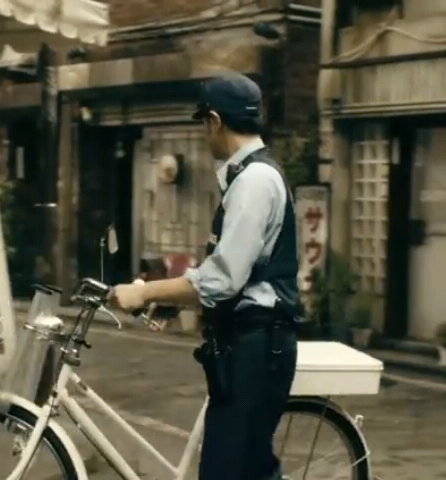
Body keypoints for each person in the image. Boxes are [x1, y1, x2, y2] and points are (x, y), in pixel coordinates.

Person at [110, 71, 302, 480]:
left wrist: (144, 292)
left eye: (202, 123)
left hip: (257, 344)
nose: (202, 133)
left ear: (214, 121)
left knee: (226, 470)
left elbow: (221, 279)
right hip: (248, 344)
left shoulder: (254, 182)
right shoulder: (250, 177)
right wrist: (168, 298)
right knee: (245, 467)